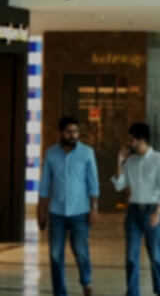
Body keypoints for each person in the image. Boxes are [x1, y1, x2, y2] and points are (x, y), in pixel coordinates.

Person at [38, 117, 101, 296]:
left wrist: (94, 208)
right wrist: (41, 212)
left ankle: (86, 282)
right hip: (56, 212)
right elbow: (44, 186)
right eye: (68, 132)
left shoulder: (87, 153)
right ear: (61, 133)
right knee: (55, 255)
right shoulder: (51, 154)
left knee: (81, 251)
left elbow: (93, 184)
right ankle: (59, 291)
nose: (72, 135)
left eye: (75, 132)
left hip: (80, 212)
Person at [112, 123, 160, 296]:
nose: (128, 143)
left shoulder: (159, 160)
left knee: (156, 256)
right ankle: (132, 292)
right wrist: (119, 162)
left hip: (153, 210)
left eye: (131, 139)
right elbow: (119, 186)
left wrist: (158, 212)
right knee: (131, 257)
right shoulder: (130, 161)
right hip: (134, 212)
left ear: (141, 140)